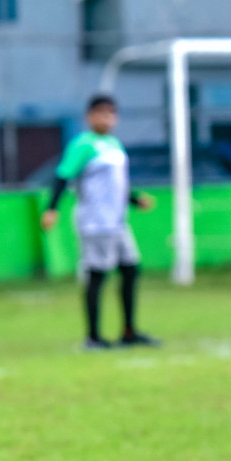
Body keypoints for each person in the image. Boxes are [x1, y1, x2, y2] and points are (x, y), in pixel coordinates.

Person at [41, 94, 158, 350]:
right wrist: (51, 209)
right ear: (89, 116)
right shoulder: (83, 144)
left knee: (130, 269)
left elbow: (116, 186)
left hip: (118, 222)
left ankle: (129, 331)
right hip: (95, 223)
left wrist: (135, 200)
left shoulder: (115, 145)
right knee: (97, 276)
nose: (107, 118)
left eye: (111, 113)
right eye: (101, 113)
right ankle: (93, 337)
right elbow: (63, 176)